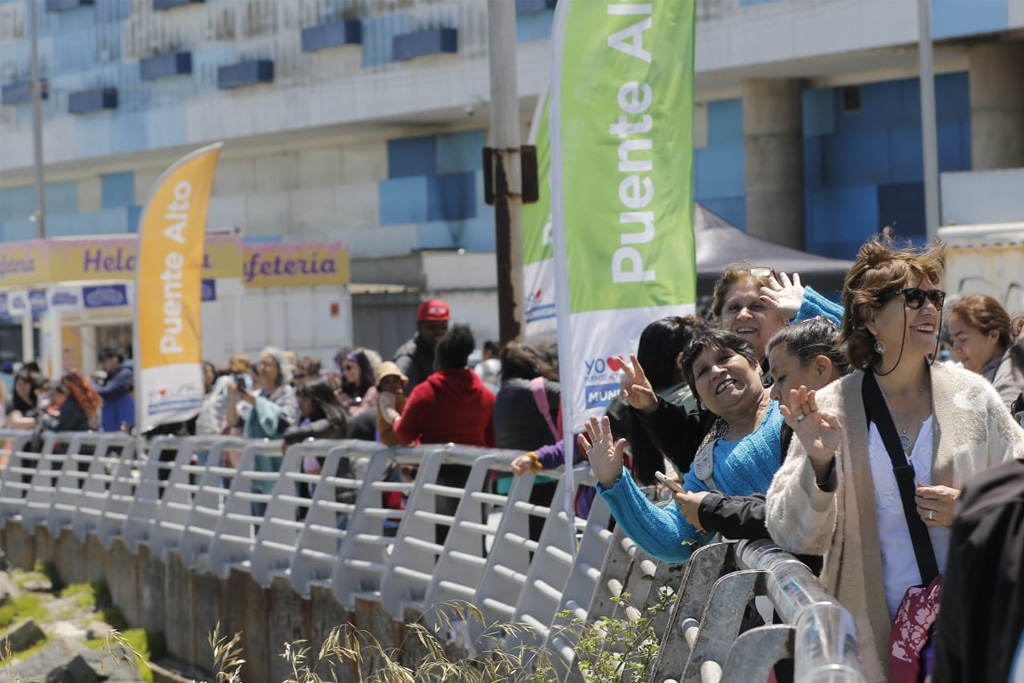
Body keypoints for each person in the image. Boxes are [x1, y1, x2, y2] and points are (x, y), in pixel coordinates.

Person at [765, 231, 1024, 683]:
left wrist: (969, 510)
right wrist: (820, 467)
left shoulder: (974, 398)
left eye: (934, 297)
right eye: (913, 298)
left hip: (966, 632)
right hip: (866, 645)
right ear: (868, 315)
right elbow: (790, 532)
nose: (930, 309)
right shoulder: (830, 407)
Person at [584, 329, 784, 563]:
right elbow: (675, 541)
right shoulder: (706, 461)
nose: (717, 372)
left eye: (724, 358)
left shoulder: (797, 395)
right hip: (785, 587)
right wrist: (615, 482)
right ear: (699, 397)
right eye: (703, 371)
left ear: (756, 365)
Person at [680, 317, 850, 544]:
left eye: (781, 378)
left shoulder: (847, 422)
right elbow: (786, 501)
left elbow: (796, 516)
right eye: (702, 371)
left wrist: (715, 511)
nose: (775, 393)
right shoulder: (811, 428)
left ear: (821, 368)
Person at [393, 325, 495, 544]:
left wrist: (393, 418)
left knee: (440, 544)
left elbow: (403, 434)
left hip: (438, 474)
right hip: (478, 474)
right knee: (474, 542)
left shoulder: (425, 392)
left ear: (439, 360)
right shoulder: (486, 396)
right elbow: (493, 442)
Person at [495, 342, 561, 542]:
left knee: (529, 546)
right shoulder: (533, 389)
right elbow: (575, 399)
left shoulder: (504, 391)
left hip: (511, 477)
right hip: (541, 474)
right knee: (546, 543)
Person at [228, 347, 300, 513]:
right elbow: (234, 422)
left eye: (268, 364)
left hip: (279, 468)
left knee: (280, 519)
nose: (262, 368)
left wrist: (256, 403)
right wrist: (233, 397)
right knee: (259, 522)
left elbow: (285, 421)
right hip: (257, 469)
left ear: (279, 368)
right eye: (260, 364)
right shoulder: (257, 394)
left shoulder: (286, 392)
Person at [946, 294, 1021, 410]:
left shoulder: (1010, 375)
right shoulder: (970, 371)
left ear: (993, 336)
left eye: (963, 339)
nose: (956, 349)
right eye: (952, 340)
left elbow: (1004, 424)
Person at [393, 298, 450, 393]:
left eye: (443, 326)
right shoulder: (408, 358)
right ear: (419, 326)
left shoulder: (446, 353)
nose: (439, 331)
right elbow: (400, 399)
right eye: (432, 327)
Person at [95, 347, 134, 432]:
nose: (104, 365)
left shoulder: (125, 372)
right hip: (112, 427)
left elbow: (108, 391)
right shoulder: (112, 375)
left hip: (122, 425)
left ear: (115, 358)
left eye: (105, 361)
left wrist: (91, 383)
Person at [376, 361, 412, 447]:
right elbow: (387, 409)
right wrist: (396, 419)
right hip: (389, 432)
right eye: (387, 382)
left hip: (399, 430)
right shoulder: (386, 396)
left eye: (395, 380)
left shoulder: (399, 397)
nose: (392, 384)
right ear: (381, 386)